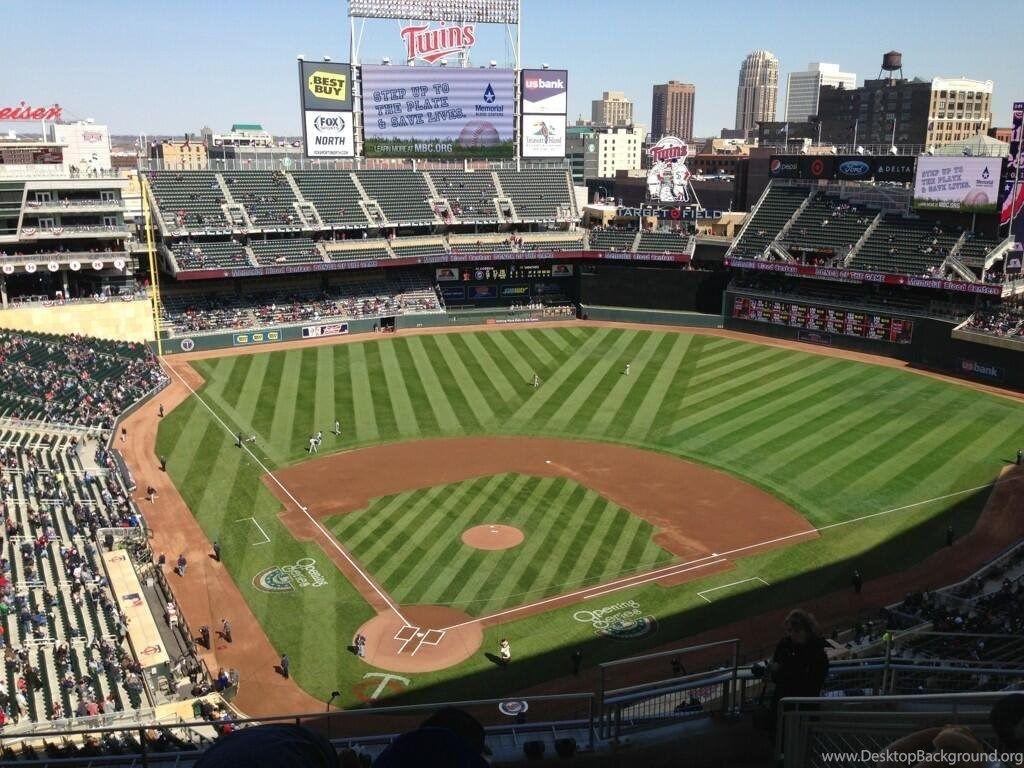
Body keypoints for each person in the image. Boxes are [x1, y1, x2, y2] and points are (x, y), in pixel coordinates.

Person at [769, 610, 828, 723]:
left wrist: (782, 672)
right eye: (790, 631)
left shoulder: (817, 653)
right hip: (782, 706)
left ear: (807, 630)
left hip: (804, 710)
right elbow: (776, 675)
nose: (793, 634)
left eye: (797, 631)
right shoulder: (784, 645)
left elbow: (814, 684)